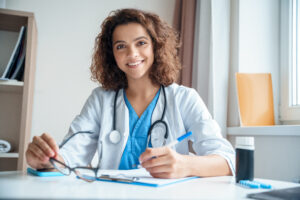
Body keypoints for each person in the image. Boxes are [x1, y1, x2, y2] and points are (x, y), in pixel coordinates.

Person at [26, 8, 235, 179]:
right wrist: (45, 159)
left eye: (141, 43)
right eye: (120, 46)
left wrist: (185, 164)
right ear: (112, 55)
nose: (132, 54)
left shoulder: (184, 99)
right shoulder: (101, 100)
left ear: (156, 47)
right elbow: (71, 156)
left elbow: (228, 160)